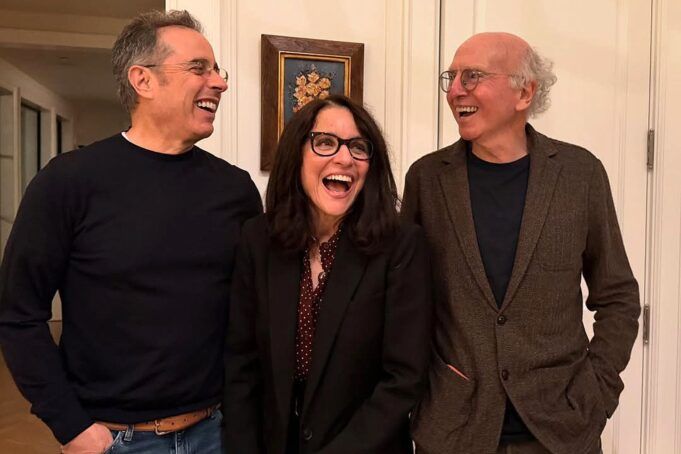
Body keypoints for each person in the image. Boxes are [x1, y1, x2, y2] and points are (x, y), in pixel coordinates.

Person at [0, 10, 262, 454]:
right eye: (199, 68)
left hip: (216, 433)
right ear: (143, 80)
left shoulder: (235, 190)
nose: (219, 83)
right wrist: (71, 426)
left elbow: (252, 313)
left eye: (218, 70)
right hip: (115, 440)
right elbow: (18, 315)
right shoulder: (69, 181)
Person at [403, 32, 640, 454]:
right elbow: (406, 301)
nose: (455, 91)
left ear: (525, 92)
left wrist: (597, 391)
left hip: (561, 431)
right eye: (451, 78)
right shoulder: (427, 178)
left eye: (472, 76)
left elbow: (618, 297)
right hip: (454, 430)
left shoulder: (580, 174)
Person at [224, 94, 432, 453]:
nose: (345, 158)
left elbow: (403, 379)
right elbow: (241, 366)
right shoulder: (258, 239)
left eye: (358, 147)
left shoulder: (401, 245)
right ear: (297, 155)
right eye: (325, 142)